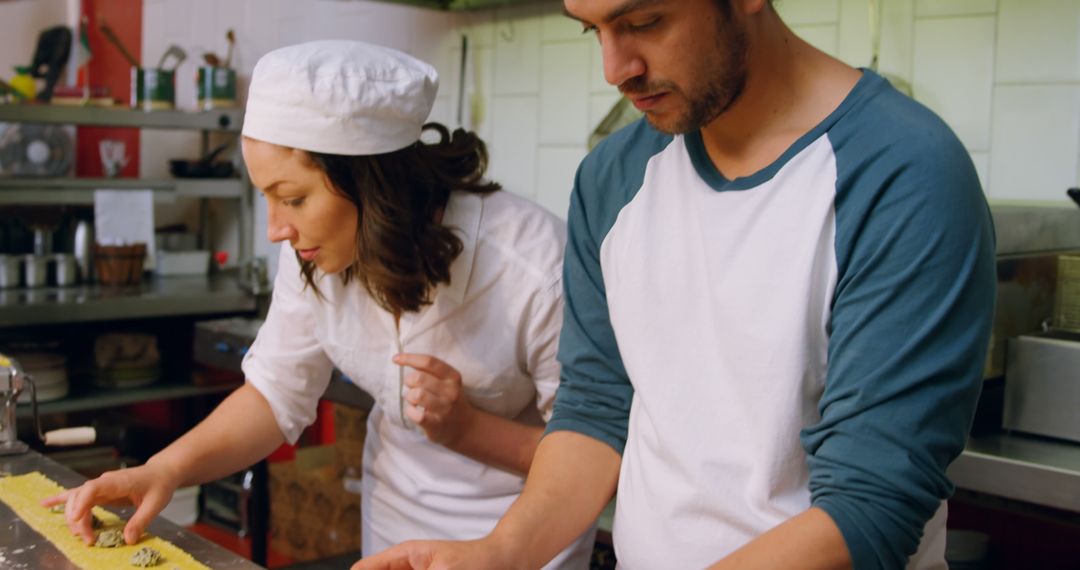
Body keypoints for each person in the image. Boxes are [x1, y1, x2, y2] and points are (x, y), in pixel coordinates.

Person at [356, 0, 996, 569]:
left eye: (643, 22)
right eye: (593, 31)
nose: (616, 68)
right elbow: (596, 412)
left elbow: (871, 506)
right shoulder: (613, 177)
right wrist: (499, 554)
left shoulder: (903, 174)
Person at [43, 40, 595, 568]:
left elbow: (592, 453)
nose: (276, 229)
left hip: (521, 545)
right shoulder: (315, 249)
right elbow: (275, 395)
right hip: (392, 532)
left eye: (294, 199)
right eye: (268, 197)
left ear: (371, 182)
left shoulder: (533, 268)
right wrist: (161, 471)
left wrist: (467, 428)